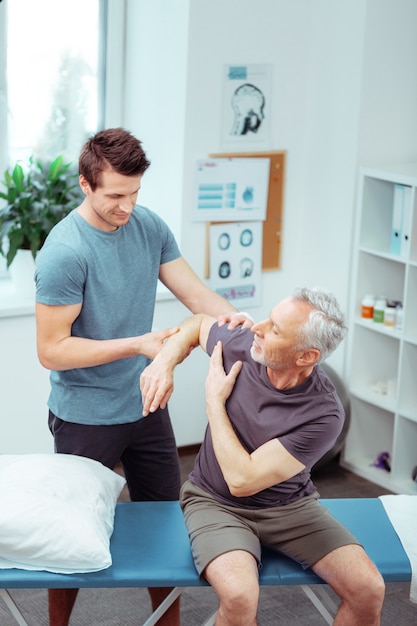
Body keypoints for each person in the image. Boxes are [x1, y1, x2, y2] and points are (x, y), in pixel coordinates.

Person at [34, 127, 251, 626]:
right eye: (115, 196)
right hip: (86, 415)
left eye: (134, 194)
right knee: (73, 532)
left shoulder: (148, 226)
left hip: (146, 405)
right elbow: (52, 350)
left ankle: (167, 622)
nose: (126, 207)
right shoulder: (65, 251)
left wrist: (242, 325)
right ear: (86, 185)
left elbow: (198, 298)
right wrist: (138, 344)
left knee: (163, 524)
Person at [140, 287, 386, 626]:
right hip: (216, 503)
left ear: (306, 356)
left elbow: (243, 479)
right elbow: (197, 325)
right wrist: (163, 363)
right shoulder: (244, 346)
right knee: (240, 596)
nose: (257, 327)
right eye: (268, 318)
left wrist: (214, 402)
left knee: (368, 589)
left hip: (291, 508)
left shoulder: (325, 413)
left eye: (274, 329)